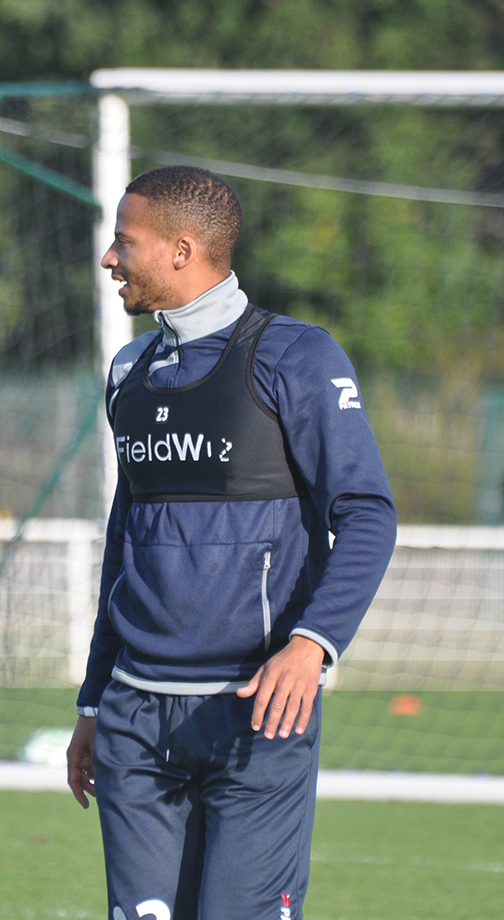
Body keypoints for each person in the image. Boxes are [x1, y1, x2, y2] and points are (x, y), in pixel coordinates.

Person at [65, 167, 397, 920]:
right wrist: (93, 701)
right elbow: (127, 543)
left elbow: (369, 514)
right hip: (135, 722)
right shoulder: (129, 372)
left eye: (125, 241)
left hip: (256, 718)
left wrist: (312, 644)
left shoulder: (297, 357)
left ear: (182, 250)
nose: (110, 258)